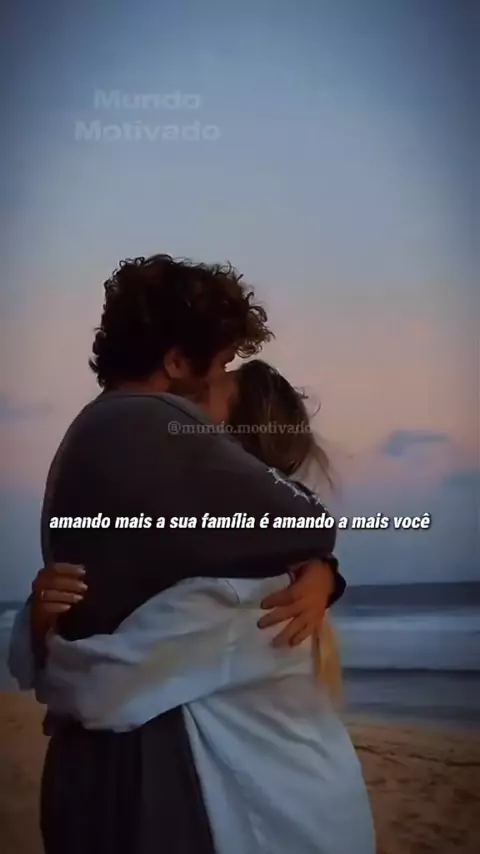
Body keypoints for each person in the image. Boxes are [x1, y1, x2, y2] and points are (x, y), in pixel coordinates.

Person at [9, 255, 345, 854]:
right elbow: (305, 522)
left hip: (104, 762)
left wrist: (322, 573)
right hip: (140, 770)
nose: (220, 383)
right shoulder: (147, 423)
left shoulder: (99, 429)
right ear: (175, 362)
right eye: (220, 364)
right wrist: (320, 563)